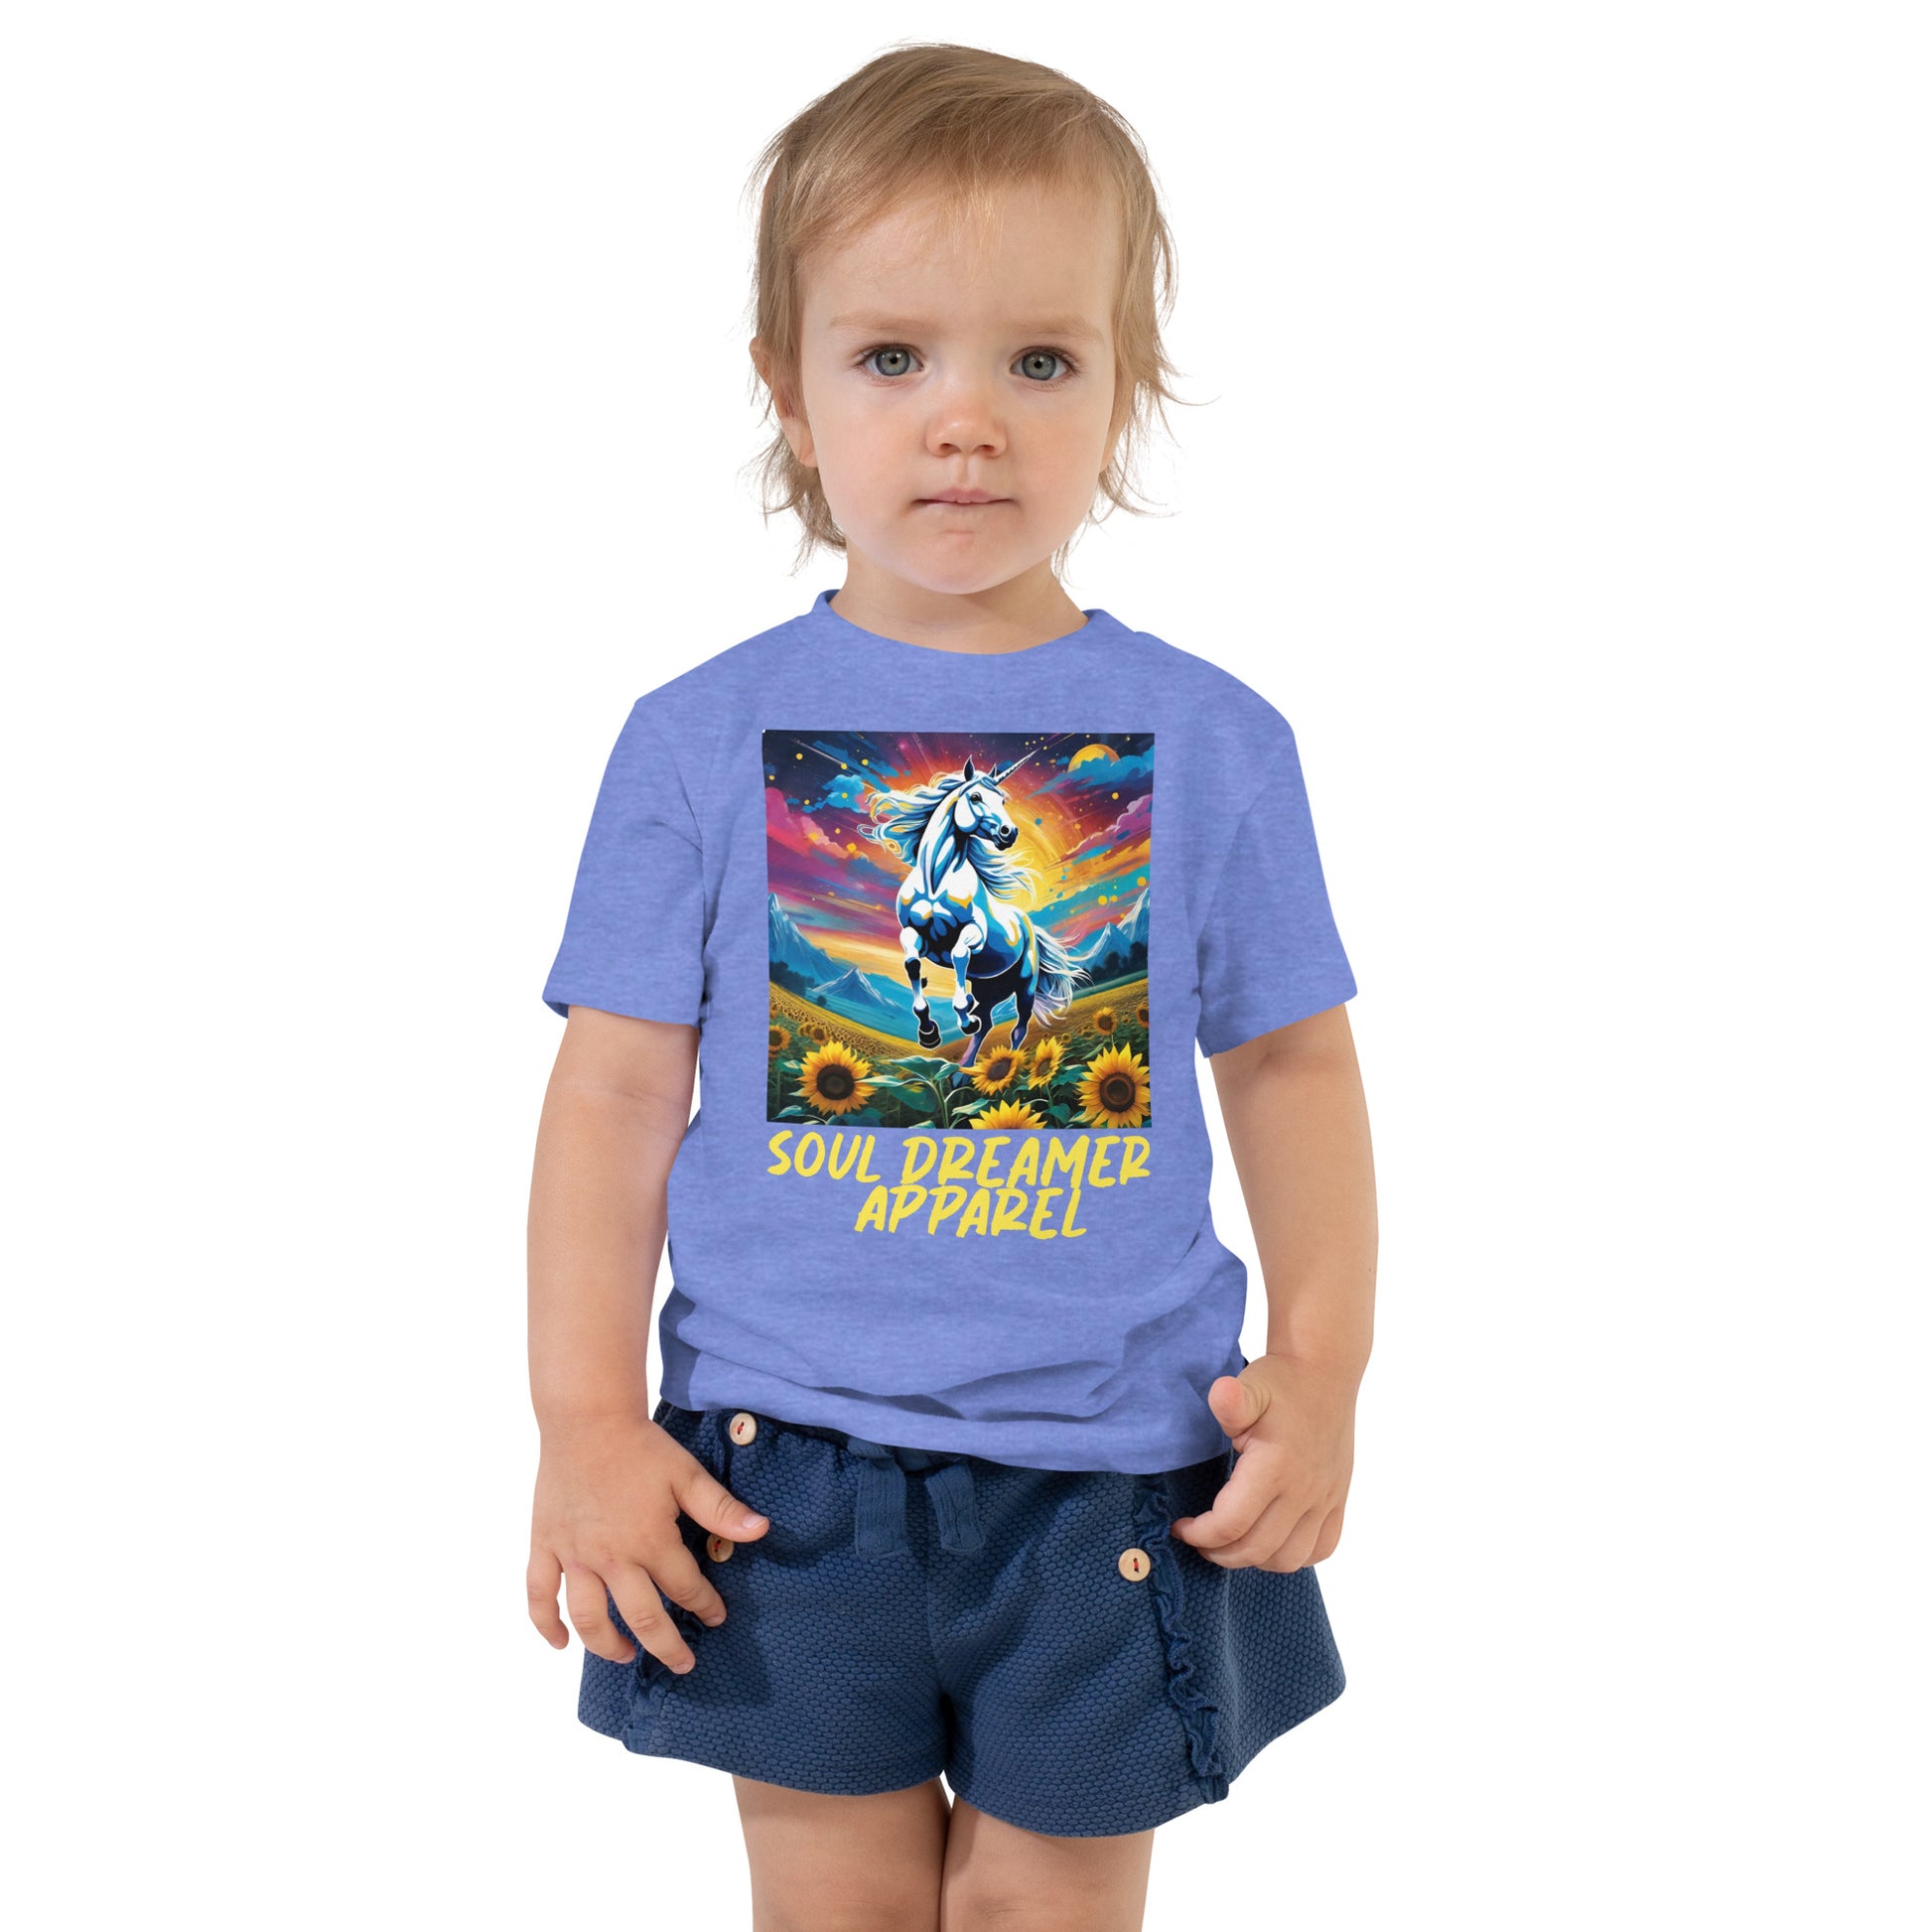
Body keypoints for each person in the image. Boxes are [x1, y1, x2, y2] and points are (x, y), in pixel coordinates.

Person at [526, 41, 1378, 1932]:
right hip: (782, 1466)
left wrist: (1321, 1368)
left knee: (1042, 1912)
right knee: (828, 1904)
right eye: (894, 356)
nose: (965, 421)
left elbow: (1293, 1069)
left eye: (1040, 361)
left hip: (1113, 1466)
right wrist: (583, 1419)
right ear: (790, 386)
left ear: (1122, 385)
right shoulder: (694, 738)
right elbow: (612, 1094)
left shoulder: (1213, 740)